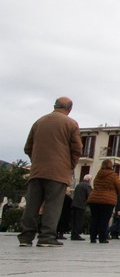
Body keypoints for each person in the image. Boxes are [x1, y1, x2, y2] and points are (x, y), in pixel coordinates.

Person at [18, 97, 82, 247]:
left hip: (37, 171)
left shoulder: (39, 122)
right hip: (58, 173)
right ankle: (46, 238)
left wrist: (36, 161)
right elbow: (77, 149)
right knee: (53, 205)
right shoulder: (71, 124)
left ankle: (26, 238)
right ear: (69, 109)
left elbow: (28, 147)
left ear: (54, 106)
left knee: (32, 205)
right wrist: (69, 166)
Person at [86, 159, 120, 244]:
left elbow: (94, 184)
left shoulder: (98, 174)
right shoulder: (113, 175)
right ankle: (102, 238)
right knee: (104, 220)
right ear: (111, 166)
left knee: (94, 219)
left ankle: (93, 238)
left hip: (94, 199)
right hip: (107, 200)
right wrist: (113, 192)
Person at [69, 175, 91, 241]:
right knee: (79, 221)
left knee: (74, 220)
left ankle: (73, 234)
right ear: (89, 180)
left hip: (74, 204)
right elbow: (89, 196)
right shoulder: (87, 186)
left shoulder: (78, 185)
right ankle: (76, 235)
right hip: (81, 205)